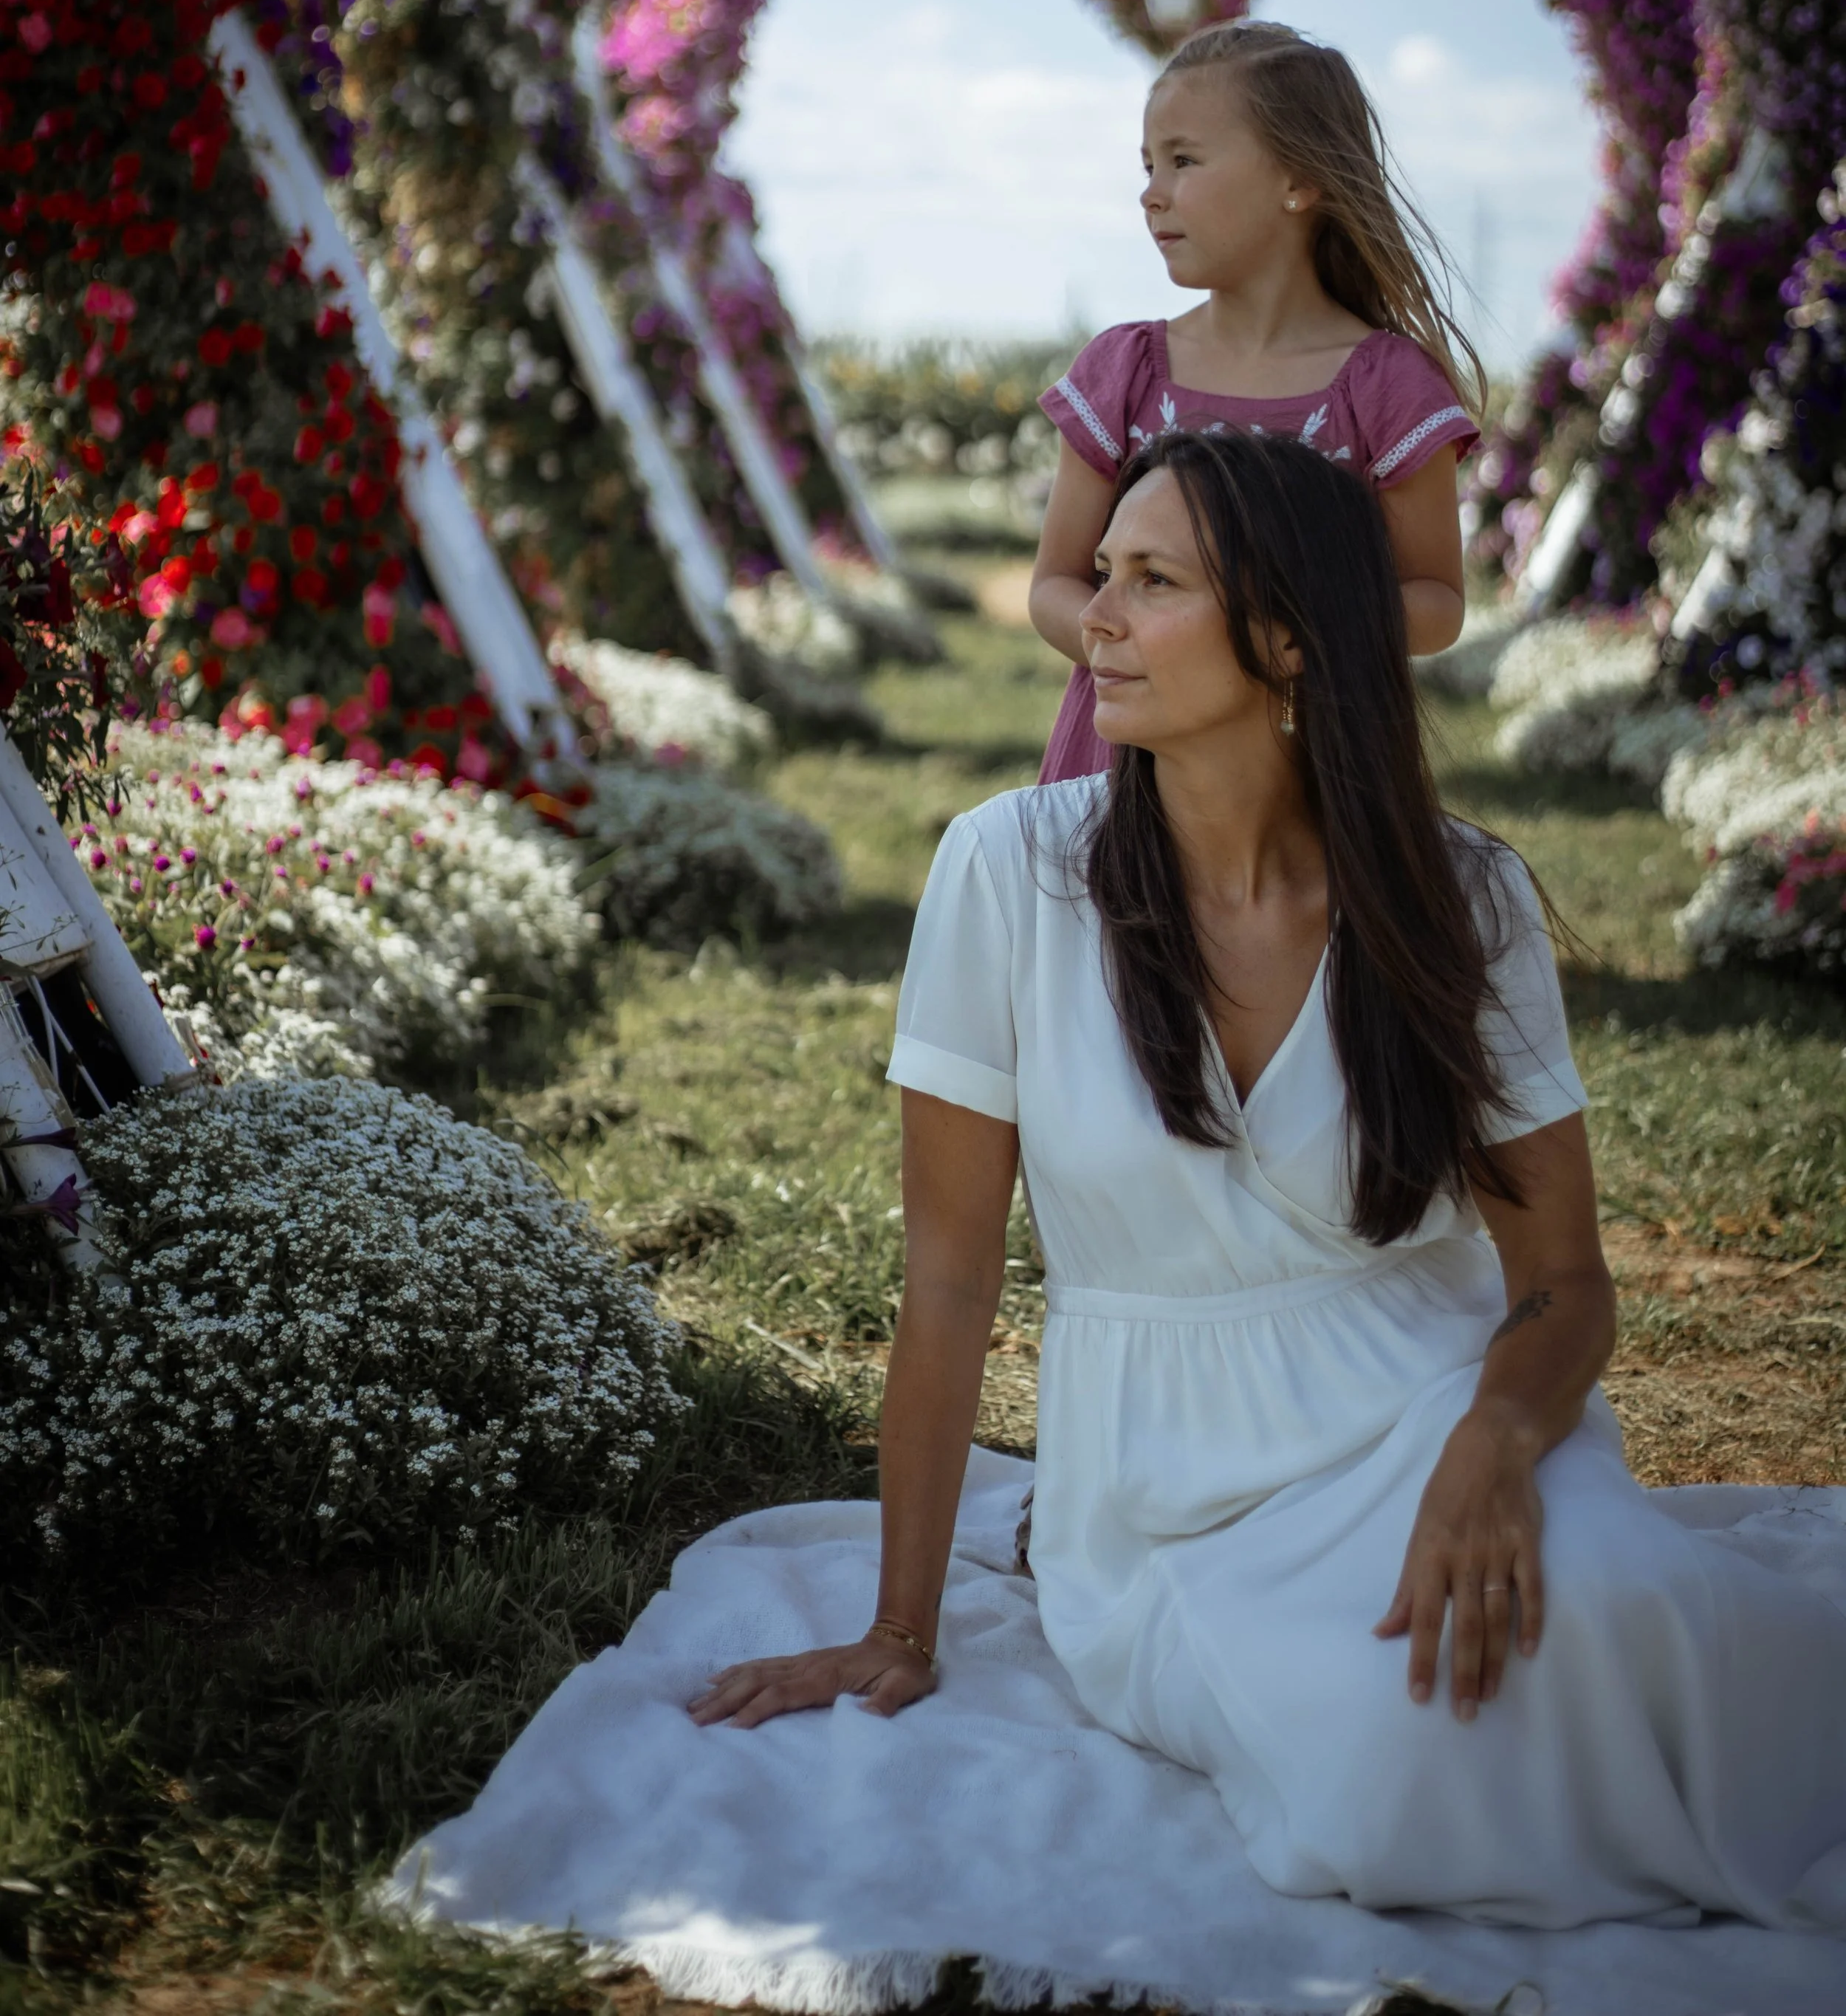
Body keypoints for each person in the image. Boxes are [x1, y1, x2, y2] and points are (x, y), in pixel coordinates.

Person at [693, 429, 1846, 1932]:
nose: (1090, 615)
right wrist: (898, 1626)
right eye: (1099, 574)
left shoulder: (1460, 898)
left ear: (1290, 638)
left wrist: (1496, 1445)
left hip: (1434, 1405)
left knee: (1644, 1627)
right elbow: (949, 1276)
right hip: (1164, 1488)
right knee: (1391, 1772)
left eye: (1150, 581)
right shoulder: (1005, 875)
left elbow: (1561, 1277)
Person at [1031, 17, 1480, 784]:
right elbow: (1054, 586)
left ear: (1299, 181)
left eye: (1183, 161)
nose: (1151, 194)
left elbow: (1436, 601)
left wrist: (1279, 646)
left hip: (1311, 777)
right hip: (1126, 774)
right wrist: (1152, 653)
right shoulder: (1124, 369)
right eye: (1147, 164)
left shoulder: (1387, 389)